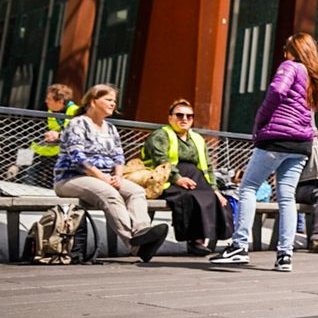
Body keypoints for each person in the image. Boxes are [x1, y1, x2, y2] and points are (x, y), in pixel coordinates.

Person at [211, 33, 318, 272]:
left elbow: (276, 91)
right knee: (286, 196)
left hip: (277, 140)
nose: (284, 53)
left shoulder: (290, 66)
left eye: (286, 48)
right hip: (301, 145)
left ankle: (239, 246)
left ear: (293, 50)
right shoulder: (313, 77)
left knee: (248, 187)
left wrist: (260, 121)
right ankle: (285, 255)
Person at [54, 84, 169, 262]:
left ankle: (142, 232)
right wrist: (104, 178)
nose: (113, 104)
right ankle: (135, 245)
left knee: (136, 191)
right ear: (93, 101)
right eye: (108, 99)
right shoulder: (77, 124)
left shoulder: (110, 128)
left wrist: (118, 175)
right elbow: (78, 157)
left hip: (106, 177)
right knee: (110, 194)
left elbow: (118, 156)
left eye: (114, 101)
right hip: (72, 178)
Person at [141, 99, 231, 256]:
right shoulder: (160, 135)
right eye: (179, 115)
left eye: (189, 116)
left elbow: (207, 167)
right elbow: (160, 160)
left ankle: (212, 240)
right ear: (170, 118)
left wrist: (215, 190)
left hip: (195, 177)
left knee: (217, 198)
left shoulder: (197, 139)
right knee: (191, 198)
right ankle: (195, 241)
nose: (184, 119)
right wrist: (177, 179)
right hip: (165, 179)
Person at [26, 83, 79, 185]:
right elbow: (29, 134)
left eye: (49, 99)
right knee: (26, 177)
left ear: (60, 102)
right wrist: (18, 163)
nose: (46, 101)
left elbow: (75, 134)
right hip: (38, 149)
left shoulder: (76, 111)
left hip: (58, 152)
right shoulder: (46, 110)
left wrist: (58, 135)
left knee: (53, 182)